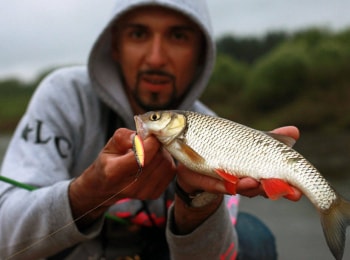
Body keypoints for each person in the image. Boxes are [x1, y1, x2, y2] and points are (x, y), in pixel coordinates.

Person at [0, 1, 301, 259]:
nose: (156, 57)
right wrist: (88, 193)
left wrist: (196, 206)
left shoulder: (214, 129)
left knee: (253, 236)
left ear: (200, 54)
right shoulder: (64, 95)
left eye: (178, 36)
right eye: (139, 34)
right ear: (115, 46)